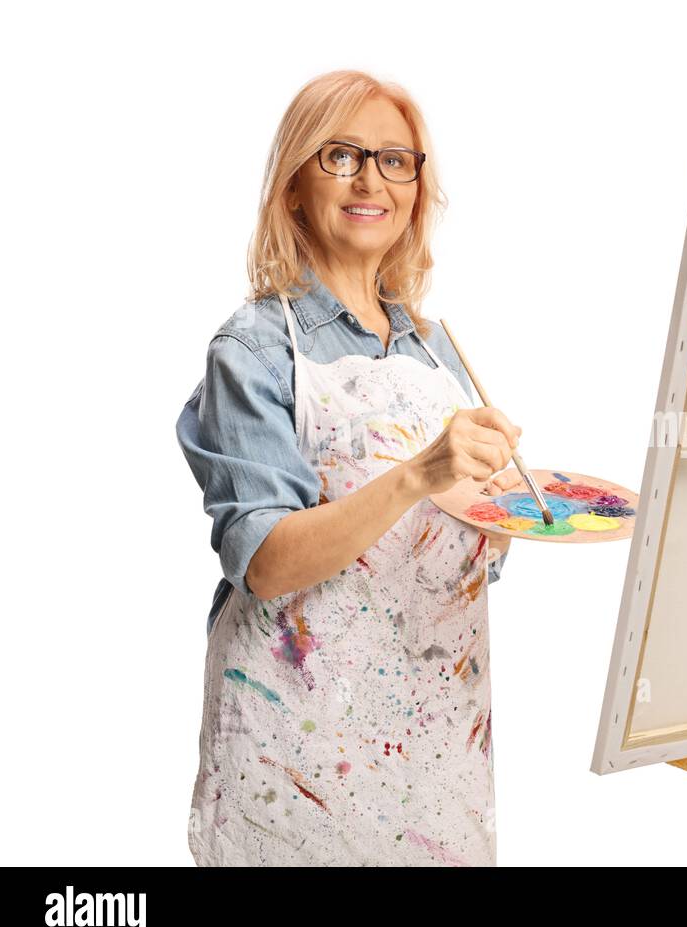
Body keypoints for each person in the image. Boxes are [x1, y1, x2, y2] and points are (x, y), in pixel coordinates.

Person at [176, 70, 523, 866]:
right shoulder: (256, 348)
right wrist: (416, 476)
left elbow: (461, 561)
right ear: (295, 186)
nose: (372, 179)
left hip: (435, 740)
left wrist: (506, 515)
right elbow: (266, 563)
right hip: (294, 736)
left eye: (397, 160)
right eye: (342, 156)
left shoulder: (438, 350)